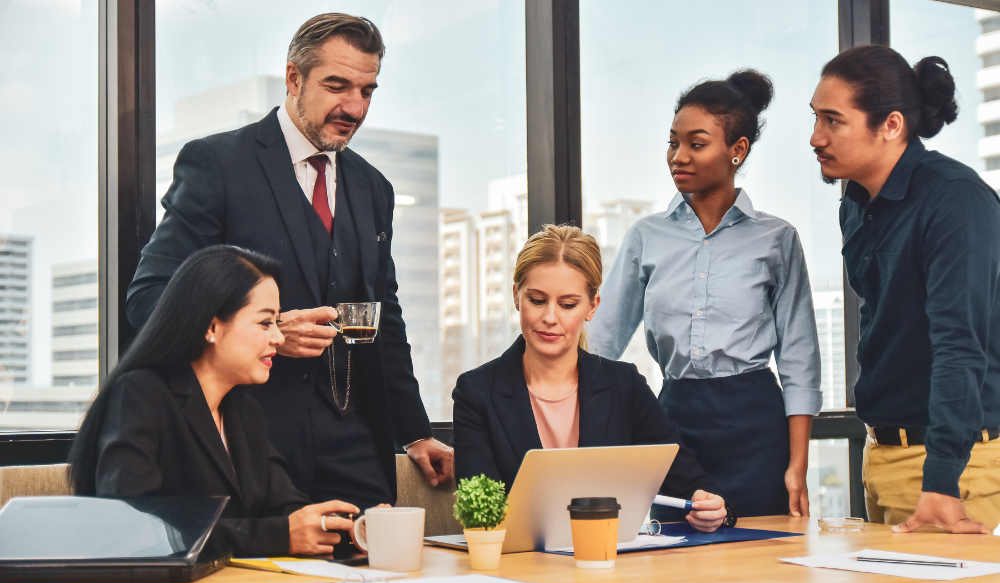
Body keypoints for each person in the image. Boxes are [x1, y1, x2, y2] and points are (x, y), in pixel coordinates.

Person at [125, 13, 453, 511]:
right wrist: (271, 329)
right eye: (337, 86)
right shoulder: (218, 165)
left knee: (379, 575)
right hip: (247, 438)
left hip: (355, 440)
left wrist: (414, 432)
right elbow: (149, 299)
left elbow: (385, 319)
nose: (354, 107)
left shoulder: (373, 189)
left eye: (367, 91)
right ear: (294, 78)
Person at [589, 70, 822, 519]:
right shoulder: (646, 236)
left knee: (761, 564)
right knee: (674, 563)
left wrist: (798, 464)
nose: (678, 156)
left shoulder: (776, 238)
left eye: (696, 144)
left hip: (757, 427)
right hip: (673, 422)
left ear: (737, 151)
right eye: (673, 142)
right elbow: (601, 341)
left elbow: (799, 359)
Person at [810, 45, 1000, 534]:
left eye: (834, 121)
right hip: (882, 458)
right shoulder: (853, 204)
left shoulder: (956, 201)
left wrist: (940, 482)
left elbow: (960, 348)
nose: (816, 137)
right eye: (816, 119)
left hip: (953, 469)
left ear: (891, 125)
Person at [69, 246, 361, 557]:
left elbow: (285, 507)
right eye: (266, 323)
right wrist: (278, 536)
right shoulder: (140, 394)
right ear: (211, 327)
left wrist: (345, 528)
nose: (278, 337)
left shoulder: (243, 410)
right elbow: (134, 524)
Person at [453, 225, 736, 533]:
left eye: (568, 304)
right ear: (516, 297)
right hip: (517, 568)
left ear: (592, 307)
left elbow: (689, 481)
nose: (550, 317)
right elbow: (478, 512)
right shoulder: (476, 392)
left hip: (607, 565)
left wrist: (709, 506)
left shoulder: (624, 385)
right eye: (537, 300)